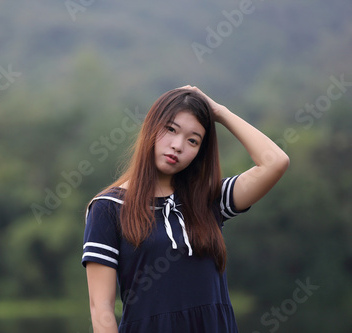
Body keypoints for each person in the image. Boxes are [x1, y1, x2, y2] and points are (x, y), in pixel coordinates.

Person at [81, 85, 290, 333]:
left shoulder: (208, 199)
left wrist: (220, 113)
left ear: (199, 152)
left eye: (193, 140)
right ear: (151, 127)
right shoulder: (108, 208)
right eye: (171, 129)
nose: (178, 146)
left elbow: (275, 162)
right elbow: (101, 308)